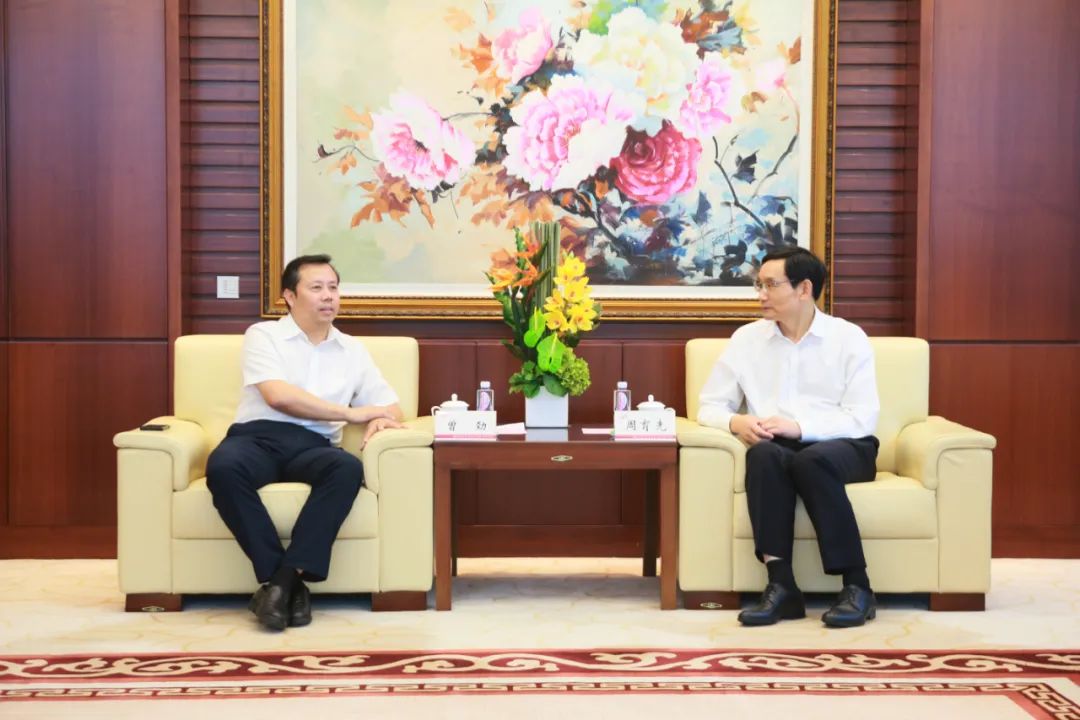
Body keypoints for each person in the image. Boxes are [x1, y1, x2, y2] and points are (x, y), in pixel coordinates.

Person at [205, 254, 404, 631]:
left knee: (346, 469)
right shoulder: (263, 335)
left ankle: (280, 584)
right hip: (257, 437)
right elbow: (278, 396)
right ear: (290, 296)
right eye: (316, 288)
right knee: (223, 468)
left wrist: (381, 416)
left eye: (333, 288)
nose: (329, 296)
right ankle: (286, 583)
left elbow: (392, 405)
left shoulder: (352, 350)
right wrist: (351, 414)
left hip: (315, 444)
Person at [698, 246, 880, 628]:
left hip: (847, 445)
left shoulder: (848, 338)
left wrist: (801, 427)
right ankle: (782, 588)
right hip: (779, 446)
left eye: (770, 285)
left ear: (804, 289)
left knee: (810, 460)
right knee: (762, 455)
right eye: (759, 285)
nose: (760, 295)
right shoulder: (746, 340)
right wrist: (737, 423)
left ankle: (857, 586)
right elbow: (709, 405)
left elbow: (863, 417)